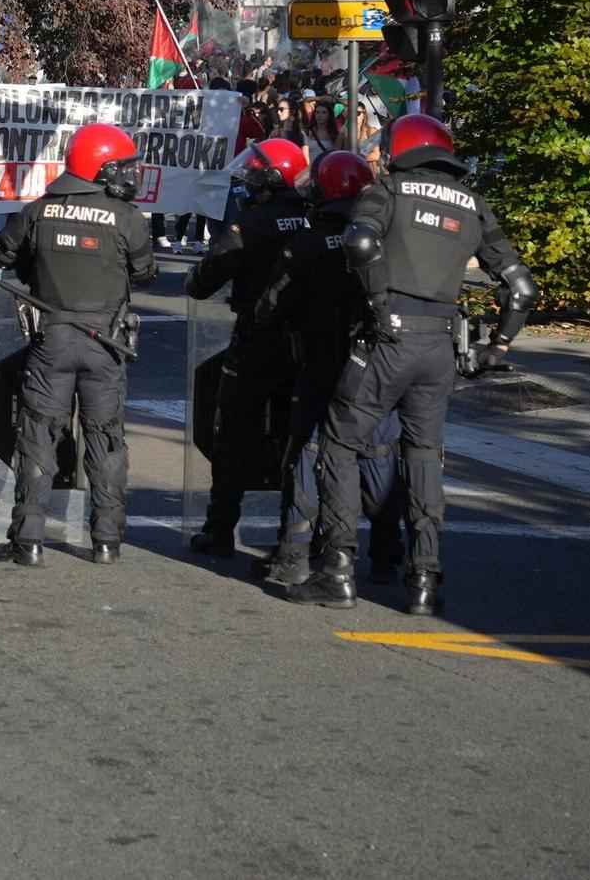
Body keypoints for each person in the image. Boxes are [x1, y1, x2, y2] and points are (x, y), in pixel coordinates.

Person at [288, 115, 536, 615]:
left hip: (386, 340)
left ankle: (337, 570)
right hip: (439, 345)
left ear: (402, 148)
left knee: (339, 441)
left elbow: (360, 242)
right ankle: (423, 579)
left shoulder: (390, 190)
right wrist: (499, 348)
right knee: (423, 453)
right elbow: (522, 288)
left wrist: (378, 306)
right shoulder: (473, 205)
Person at [0, 124, 157, 566]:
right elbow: (146, 273)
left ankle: (29, 541)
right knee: (106, 439)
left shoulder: (40, 210)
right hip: (106, 341)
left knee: (37, 436)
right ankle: (106, 541)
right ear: (98, 167)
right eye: (120, 167)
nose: (128, 175)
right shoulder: (126, 216)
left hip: (52, 338)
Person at [248, 151, 406, 587]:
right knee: (378, 454)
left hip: (320, 365)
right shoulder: (384, 241)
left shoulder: (307, 244)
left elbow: (270, 308)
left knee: (307, 455)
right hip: (376, 365)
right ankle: (388, 555)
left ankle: (295, 554)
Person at [184, 139, 312, 559]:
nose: (250, 177)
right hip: (306, 345)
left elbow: (202, 282)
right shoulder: (313, 219)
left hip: (257, 341)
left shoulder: (252, 224)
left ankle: (220, 529)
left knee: (233, 434)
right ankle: (294, 539)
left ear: (275, 177)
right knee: (296, 440)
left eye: (258, 171)